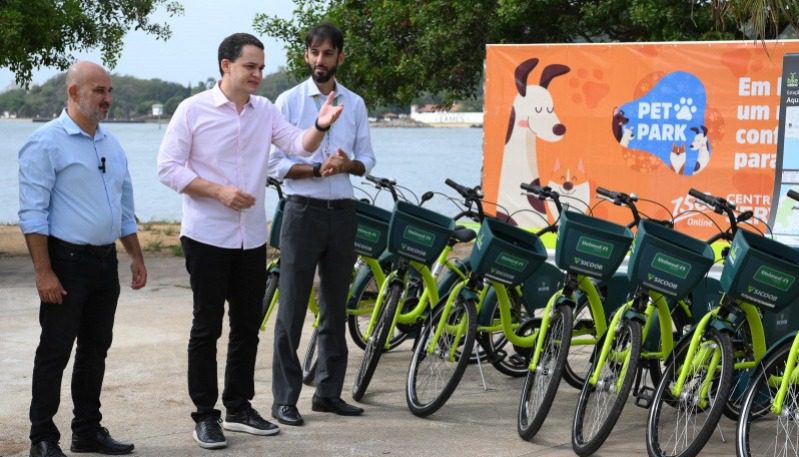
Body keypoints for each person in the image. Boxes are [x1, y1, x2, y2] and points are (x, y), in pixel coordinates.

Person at [157, 32, 344, 450]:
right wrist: (218, 191)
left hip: (251, 238)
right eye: (250, 66)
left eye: (261, 67)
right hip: (206, 235)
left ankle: (239, 407)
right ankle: (206, 415)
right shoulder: (193, 110)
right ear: (226, 65)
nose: (259, 74)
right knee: (206, 327)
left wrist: (319, 125)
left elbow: (298, 146)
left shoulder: (264, 111)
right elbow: (167, 168)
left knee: (246, 327)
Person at [18, 61, 148, 457]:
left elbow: (124, 208)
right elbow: (33, 214)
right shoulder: (45, 143)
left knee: (95, 349)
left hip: (104, 263)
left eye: (109, 91)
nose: (107, 99)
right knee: (55, 350)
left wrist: (136, 257)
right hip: (66, 261)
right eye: (99, 91)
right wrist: (44, 272)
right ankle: (43, 437)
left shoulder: (111, 144)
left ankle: (87, 431)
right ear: (73, 93)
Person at [268, 22, 375, 427]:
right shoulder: (288, 102)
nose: (320, 60)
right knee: (292, 308)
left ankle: (328, 394)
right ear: (306, 56)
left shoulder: (357, 103)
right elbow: (275, 165)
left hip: (344, 212)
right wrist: (315, 169)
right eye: (314, 53)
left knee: (336, 307)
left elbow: (367, 159)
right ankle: (285, 400)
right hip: (302, 212)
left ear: (340, 57)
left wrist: (347, 165)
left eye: (328, 53)